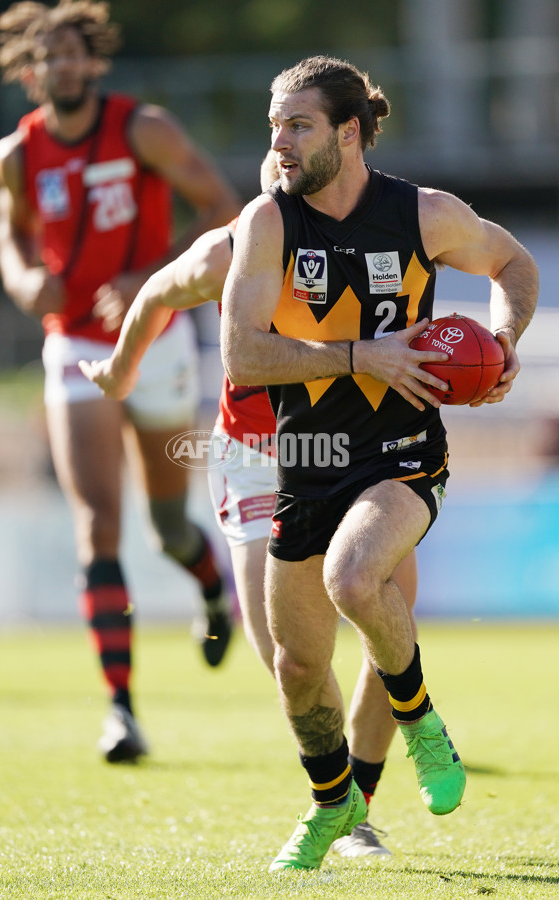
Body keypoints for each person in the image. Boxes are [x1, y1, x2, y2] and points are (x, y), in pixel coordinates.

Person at [220, 55, 538, 871]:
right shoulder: (268, 222)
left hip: (402, 456)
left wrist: (501, 344)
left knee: (355, 577)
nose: (279, 143)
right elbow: (245, 358)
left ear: (350, 132)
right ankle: (332, 808)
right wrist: (365, 355)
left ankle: (422, 722)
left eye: (298, 125)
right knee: (298, 668)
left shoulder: (423, 214)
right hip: (306, 459)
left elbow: (514, 264)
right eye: (274, 126)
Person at [78, 153, 421, 860]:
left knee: (390, 631)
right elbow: (154, 296)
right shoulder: (227, 248)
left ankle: (361, 809)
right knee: (290, 659)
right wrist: (119, 368)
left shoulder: (372, 235)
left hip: (359, 450)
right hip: (258, 459)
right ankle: (338, 802)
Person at [0, 0, 242, 764]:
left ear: (93, 62)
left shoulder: (144, 128)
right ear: (30, 71)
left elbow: (223, 210)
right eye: (47, 56)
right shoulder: (17, 154)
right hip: (72, 351)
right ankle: (122, 711)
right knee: (97, 525)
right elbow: (12, 231)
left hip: (158, 344)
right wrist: (23, 278)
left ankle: (209, 589)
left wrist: (147, 278)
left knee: (167, 529)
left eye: (74, 53)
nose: (62, 66)